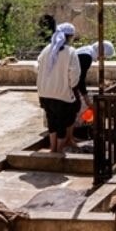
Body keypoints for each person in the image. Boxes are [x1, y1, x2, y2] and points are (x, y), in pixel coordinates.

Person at [36, 23, 82, 153]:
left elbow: (37, 66)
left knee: (51, 120)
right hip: (62, 93)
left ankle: (52, 147)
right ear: (70, 37)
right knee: (62, 121)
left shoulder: (46, 50)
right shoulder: (70, 52)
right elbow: (74, 74)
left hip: (45, 92)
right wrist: (72, 87)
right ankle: (59, 149)